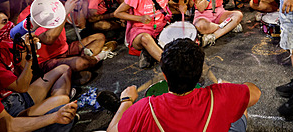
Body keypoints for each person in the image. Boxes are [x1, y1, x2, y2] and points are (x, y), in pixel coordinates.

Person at [106, 38, 261, 132]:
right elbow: (255, 92)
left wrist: (126, 101)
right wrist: (230, 86)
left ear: (165, 76)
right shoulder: (220, 94)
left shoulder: (145, 107)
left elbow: (111, 131)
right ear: (200, 73)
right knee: (240, 110)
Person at [0, 10, 73, 120]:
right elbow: (22, 87)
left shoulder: (3, 46)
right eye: (4, 22)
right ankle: (49, 112)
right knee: (63, 100)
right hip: (11, 108)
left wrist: (26, 50)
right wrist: (30, 58)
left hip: (19, 97)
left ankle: (50, 109)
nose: (10, 25)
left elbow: (25, 72)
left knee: (64, 69)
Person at [0, 35, 78, 132]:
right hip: (14, 103)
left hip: (19, 98)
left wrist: (55, 117)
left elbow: (9, 125)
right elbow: (21, 87)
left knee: (62, 120)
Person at [19, 0, 115, 81]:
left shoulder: (53, 6)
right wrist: (65, 12)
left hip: (64, 49)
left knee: (99, 37)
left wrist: (78, 8)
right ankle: (97, 57)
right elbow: (49, 39)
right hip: (47, 60)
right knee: (82, 63)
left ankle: (78, 66)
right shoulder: (26, 16)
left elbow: (80, 24)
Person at [114, 0, 180, 68]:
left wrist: (182, 3)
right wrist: (140, 18)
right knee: (146, 38)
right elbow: (117, 13)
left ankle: (150, 52)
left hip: (160, 28)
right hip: (140, 31)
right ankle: (170, 65)